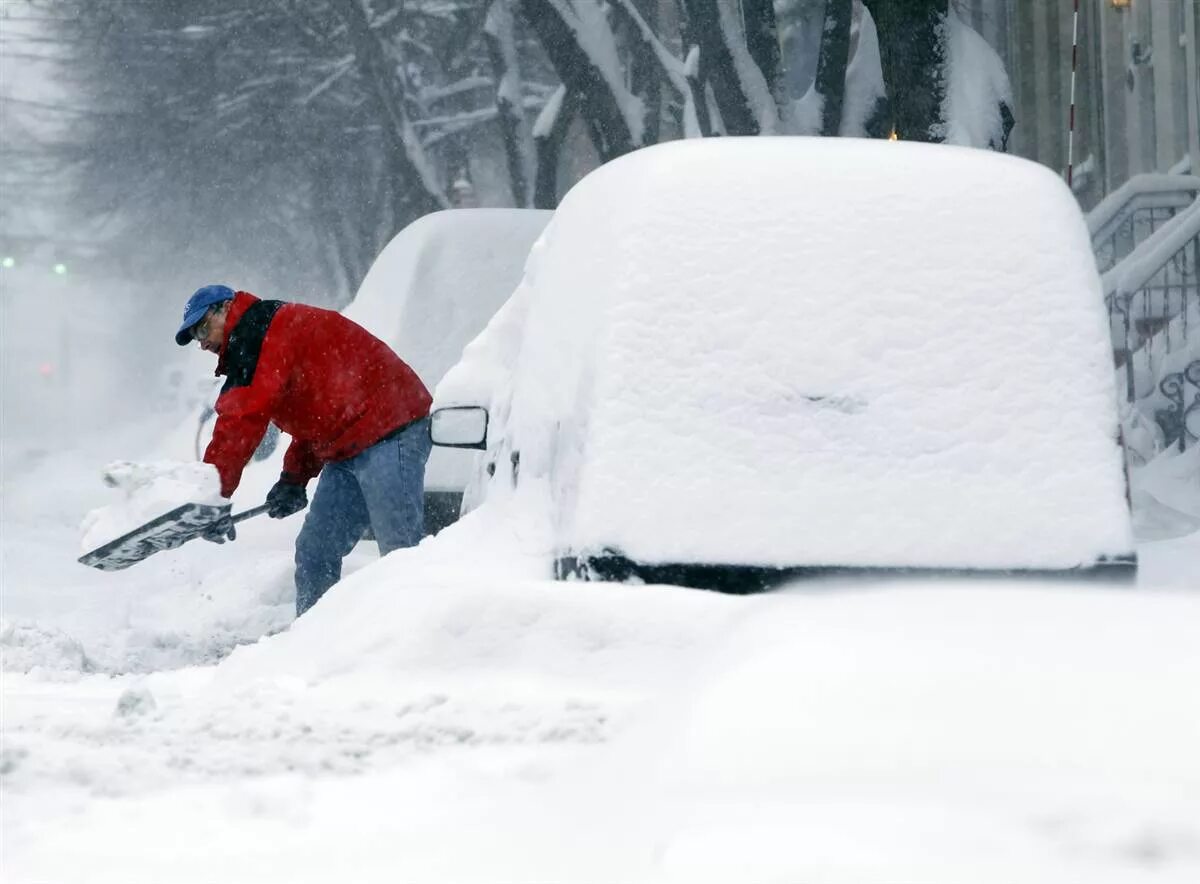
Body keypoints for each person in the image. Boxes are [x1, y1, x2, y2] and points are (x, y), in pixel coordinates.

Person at [175, 284, 432, 616]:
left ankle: (414, 643)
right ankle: (311, 645)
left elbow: (240, 422)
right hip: (350, 441)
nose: (202, 342)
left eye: (202, 327)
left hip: (391, 426)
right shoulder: (259, 338)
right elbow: (318, 413)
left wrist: (212, 496)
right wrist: (293, 479)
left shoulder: (257, 334)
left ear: (225, 309)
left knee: (400, 552)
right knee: (315, 551)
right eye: (196, 336)